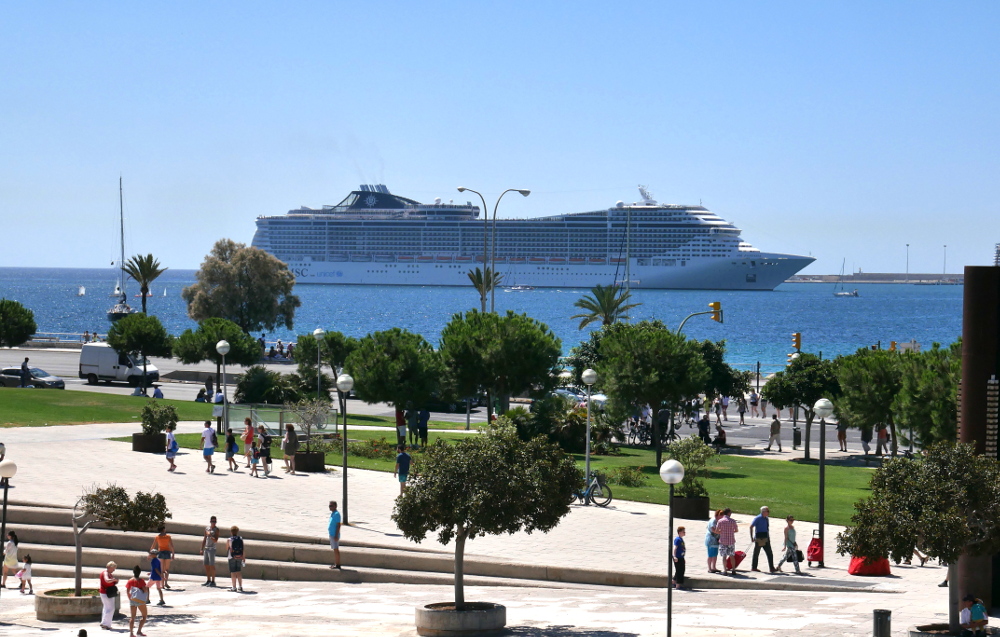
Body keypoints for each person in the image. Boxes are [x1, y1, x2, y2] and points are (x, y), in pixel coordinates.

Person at [749, 506, 776, 573]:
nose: (768, 512)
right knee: (756, 553)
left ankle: (771, 567)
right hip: (759, 538)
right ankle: (754, 567)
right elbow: (751, 526)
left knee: (769, 553)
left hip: (766, 537)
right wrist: (752, 537)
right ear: (763, 512)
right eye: (767, 511)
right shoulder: (758, 518)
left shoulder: (766, 518)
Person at [126, 564, 149, 636]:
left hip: (132, 600)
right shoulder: (141, 581)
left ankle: (131, 633)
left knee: (132, 617)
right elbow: (145, 590)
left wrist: (130, 598)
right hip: (140, 600)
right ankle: (139, 631)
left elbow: (127, 591)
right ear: (140, 572)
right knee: (144, 616)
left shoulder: (130, 581)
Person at [149, 525, 174, 589]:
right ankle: (166, 583)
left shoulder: (157, 537)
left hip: (160, 553)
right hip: (167, 552)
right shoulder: (168, 536)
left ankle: (162, 584)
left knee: (162, 570)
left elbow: (153, 546)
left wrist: (150, 554)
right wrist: (173, 554)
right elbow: (171, 546)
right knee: (167, 569)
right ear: (163, 529)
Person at [716, 508, 739, 576]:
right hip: (731, 541)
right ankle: (734, 570)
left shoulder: (720, 521)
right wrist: (731, 532)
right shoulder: (733, 521)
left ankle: (725, 570)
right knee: (732, 556)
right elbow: (736, 530)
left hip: (723, 541)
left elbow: (717, 531)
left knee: (724, 556)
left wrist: (722, 532)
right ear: (728, 513)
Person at [98, 561, 119, 630]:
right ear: (109, 567)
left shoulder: (109, 574)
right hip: (105, 592)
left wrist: (115, 581)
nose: (114, 570)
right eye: (113, 568)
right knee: (110, 608)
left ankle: (104, 623)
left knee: (106, 608)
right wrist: (113, 580)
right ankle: (105, 624)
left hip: (106, 592)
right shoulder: (105, 573)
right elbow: (107, 580)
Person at [200, 516, 220, 587]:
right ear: (210, 521)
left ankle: (213, 581)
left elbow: (216, 540)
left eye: (215, 521)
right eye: (212, 521)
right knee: (206, 565)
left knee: (212, 565)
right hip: (206, 548)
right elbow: (204, 539)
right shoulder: (207, 528)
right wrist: (201, 548)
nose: (213, 523)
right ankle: (208, 580)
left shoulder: (216, 530)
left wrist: (210, 535)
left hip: (212, 549)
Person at [227, 526, 245, 592]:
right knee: (239, 571)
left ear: (231, 532)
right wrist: (243, 557)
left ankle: (234, 587)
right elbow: (243, 548)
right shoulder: (240, 538)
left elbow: (227, 548)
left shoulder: (229, 539)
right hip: (239, 556)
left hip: (231, 557)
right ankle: (240, 586)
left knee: (233, 572)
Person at [328, 501, 342, 570]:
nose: (330, 507)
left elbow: (338, 525)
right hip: (332, 534)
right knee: (334, 549)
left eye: (331, 506)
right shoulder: (333, 514)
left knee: (336, 549)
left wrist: (336, 535)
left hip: (334, 535)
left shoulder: (337, 514)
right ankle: (336, 563)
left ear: (335, 506)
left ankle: (338, 564)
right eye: (329, 506)